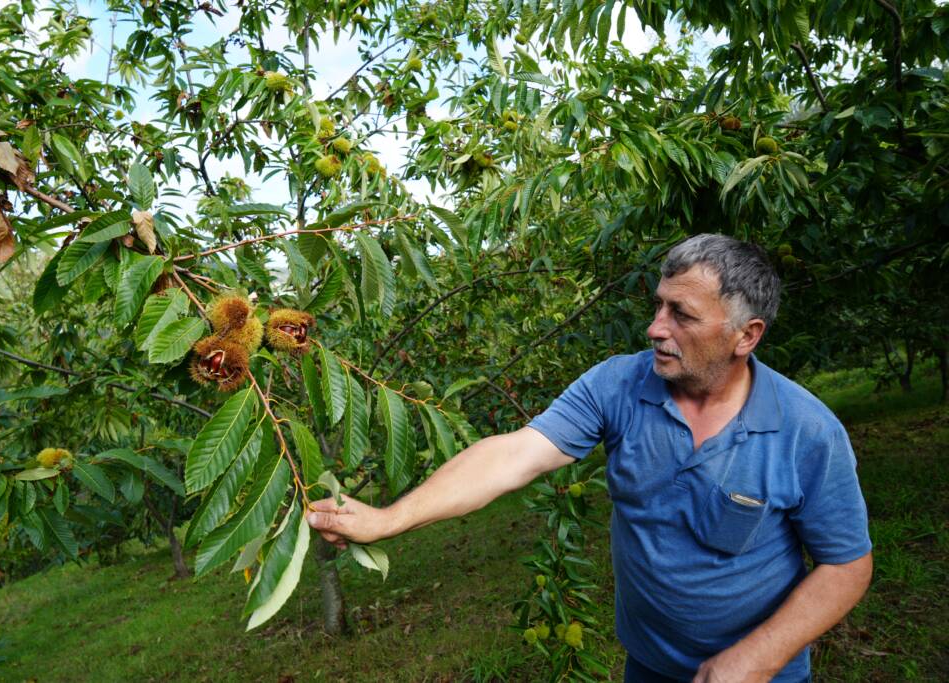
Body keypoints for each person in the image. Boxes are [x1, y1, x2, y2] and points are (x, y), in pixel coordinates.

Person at [307, 234, 873, 682]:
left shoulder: (807, 431)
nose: (655, 328)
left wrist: (756, 659)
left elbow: (847, 564)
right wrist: (389, 519)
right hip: (649, 665)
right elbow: (513, 456)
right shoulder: (618, 385)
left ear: (746, 336)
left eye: (683, 315)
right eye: (658, 306)